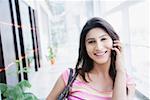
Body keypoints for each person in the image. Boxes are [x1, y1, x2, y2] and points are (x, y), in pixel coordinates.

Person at [46, 17, 136, 100]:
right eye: (91, 42)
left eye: (103, 39)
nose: (99, 47)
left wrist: (120, 70)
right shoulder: (69, 76)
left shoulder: (127, 82)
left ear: (114, 41)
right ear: (84, 47)